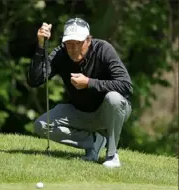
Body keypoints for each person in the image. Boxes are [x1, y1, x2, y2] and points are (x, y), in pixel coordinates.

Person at [27, 18, 133, 168]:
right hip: (81, 111)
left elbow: (126, 85)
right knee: (41, 125)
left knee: (114, 98)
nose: (74, 48)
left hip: (109, 111)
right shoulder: (61, 54)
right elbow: (35, 80)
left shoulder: (103, 49)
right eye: (69, 43)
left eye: (79, 43)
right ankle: (95, 141)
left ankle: (112, 154)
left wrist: (89, 83)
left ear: (88, 40)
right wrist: (40, 45)